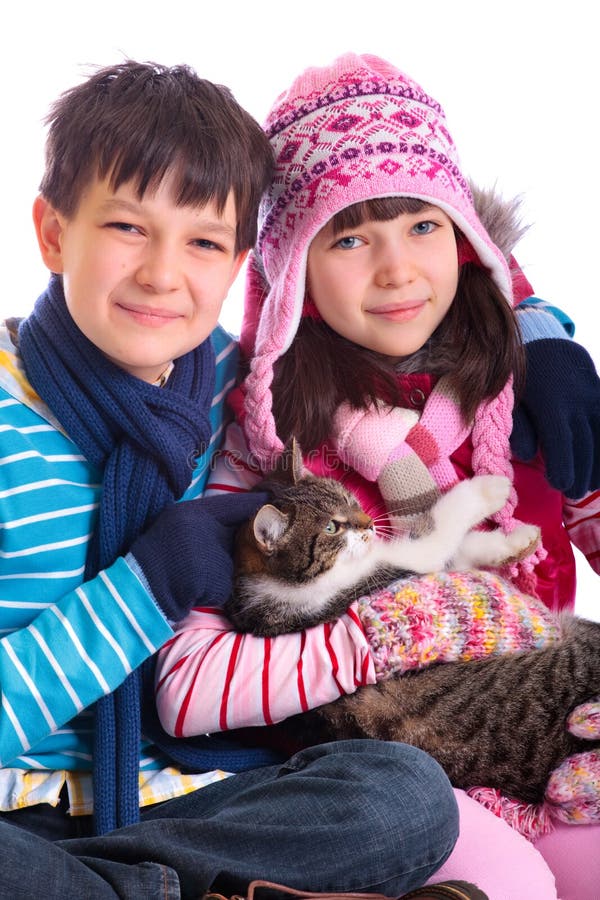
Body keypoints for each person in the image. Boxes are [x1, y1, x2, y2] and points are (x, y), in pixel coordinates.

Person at [0, 59, 463, 900]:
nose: (163, 275)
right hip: (17, 816)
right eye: (128, 229)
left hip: (201, 800)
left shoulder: (241, 382)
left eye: (204, 242)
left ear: (242, 265)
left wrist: (543, 334)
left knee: (407, 799)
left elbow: (406, 310)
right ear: (54, 231)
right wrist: (144, 589)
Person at [155, 54, 600, 899]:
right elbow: (191, 683)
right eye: (351, 237)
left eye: (423, 226)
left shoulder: (527, 388)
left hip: (537, 717)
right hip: (381, 756)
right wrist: (387, 634)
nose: (397, 270)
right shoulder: (265, 433)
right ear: (294, 272)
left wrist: (540, 326)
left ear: (465, 238)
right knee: (511, 887)